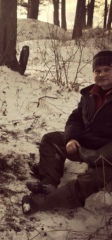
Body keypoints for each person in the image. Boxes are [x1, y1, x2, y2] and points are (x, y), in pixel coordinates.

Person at [22, 50, 112, 214]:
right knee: (50, 140)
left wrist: (97, 156)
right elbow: (75, 119)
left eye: (107, 69)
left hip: (107, 157)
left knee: (90, 180)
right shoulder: (89, 94)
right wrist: (71, 139)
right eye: (98, 71)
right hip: (84, 146)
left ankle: (44, 203)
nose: (102, 74)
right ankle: (48, 182)